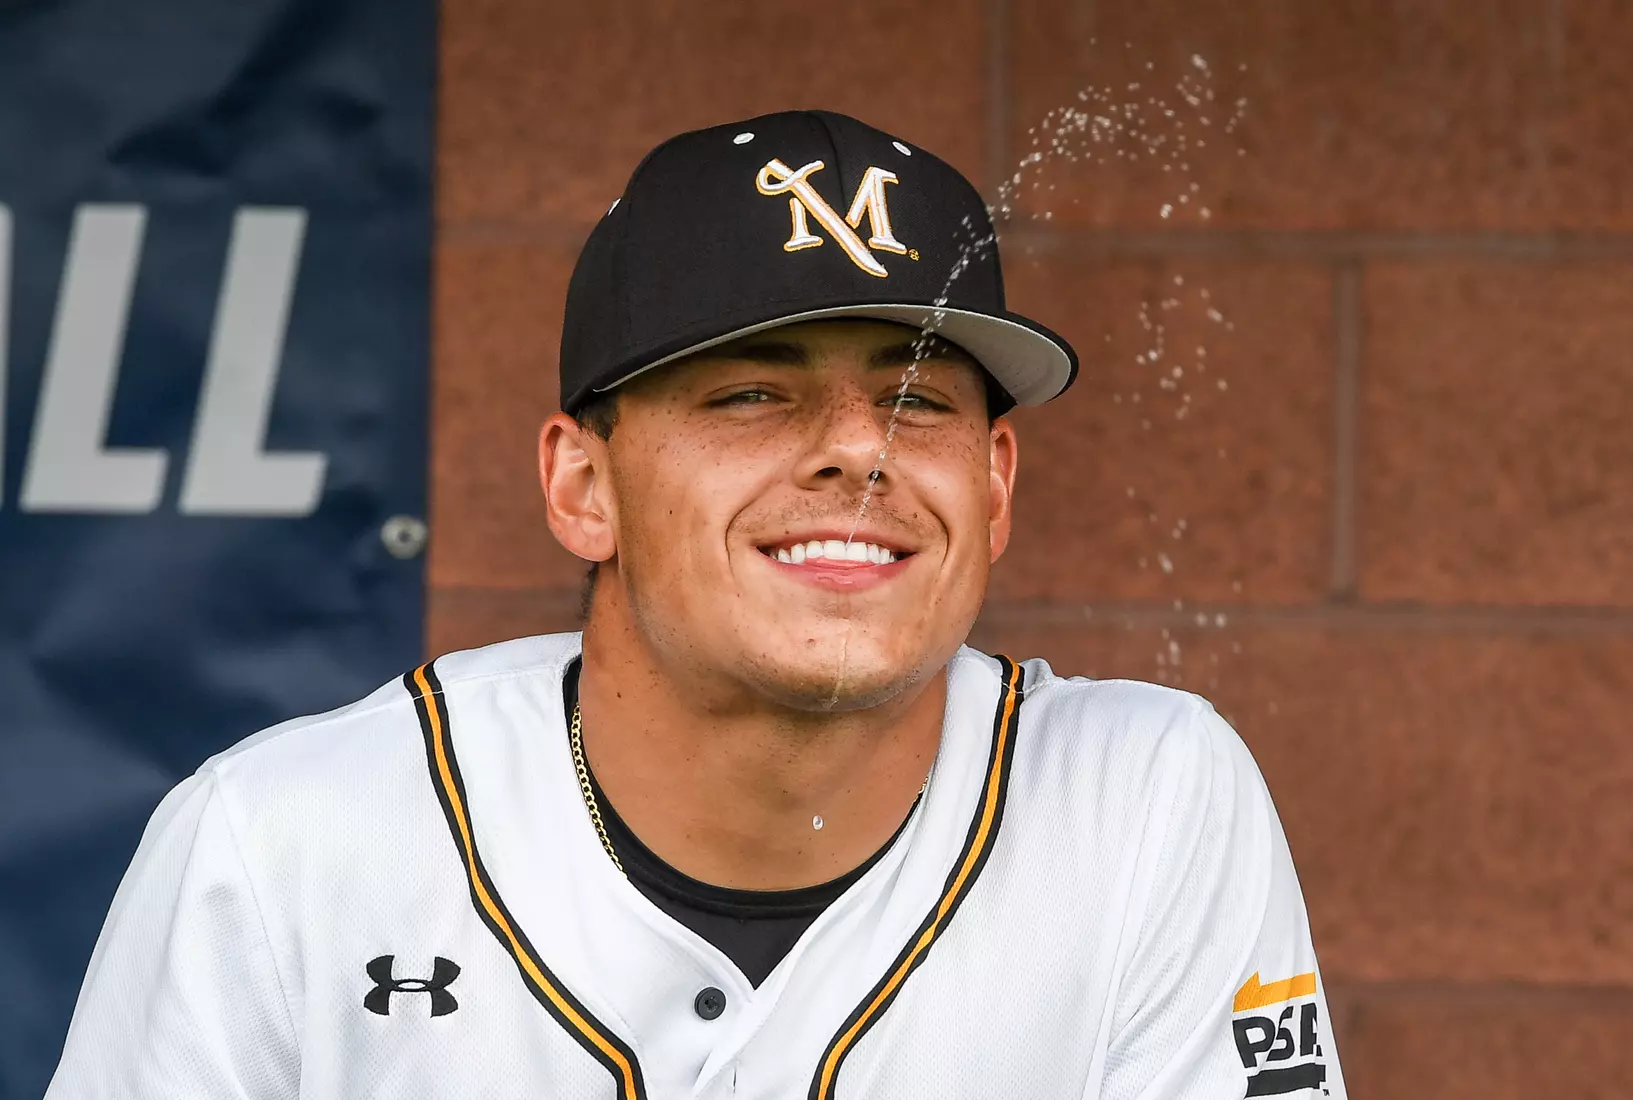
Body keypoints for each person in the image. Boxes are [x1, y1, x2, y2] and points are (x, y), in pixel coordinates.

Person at [47, 110, 1346, 1099]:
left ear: (994, 486)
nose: (859, 451)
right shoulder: (281, 845)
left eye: (917, 400)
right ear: (582, 485)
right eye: (751, 394)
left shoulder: (1142, 801)